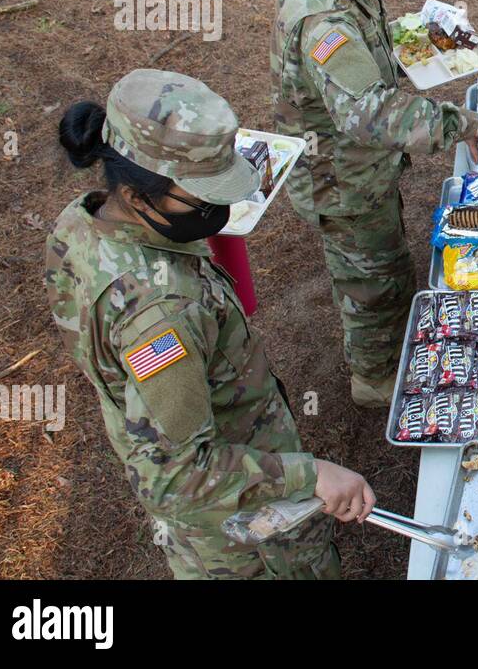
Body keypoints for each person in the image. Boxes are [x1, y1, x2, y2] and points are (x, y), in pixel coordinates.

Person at [45, 69, 374, 579]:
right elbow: (176, 476)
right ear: (138, 196)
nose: (222, 210)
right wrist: (311, 475)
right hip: (242, 533)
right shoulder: (161, 319)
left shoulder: (88, 219)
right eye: (205, 200)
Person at [271, 0, 478, 408]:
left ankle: (385, 351)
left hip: (354, 164)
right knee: (374, 281)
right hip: (341, 175)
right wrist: (463, 124)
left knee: (378, 264)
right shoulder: (325, 15)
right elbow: (370, 113)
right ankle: (378, 381)